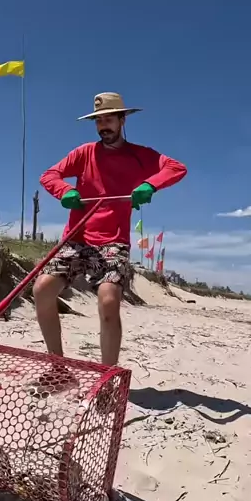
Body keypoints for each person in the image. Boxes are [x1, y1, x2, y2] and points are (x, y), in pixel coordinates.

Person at [34, 91, 187, 370]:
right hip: (77, 236)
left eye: (108, 119)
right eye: (98, 120)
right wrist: (65, 191)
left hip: (113, 241)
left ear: (122, 120)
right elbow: (49, 175)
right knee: (42, 289)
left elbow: (176, 168)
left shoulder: (140, 156)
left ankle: (106, 376)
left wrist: (149, 185)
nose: (103, 125)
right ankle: (58, 367)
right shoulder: (84, 153)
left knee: (108, 300)